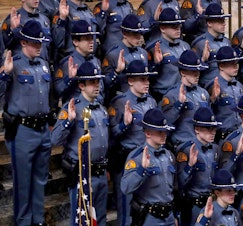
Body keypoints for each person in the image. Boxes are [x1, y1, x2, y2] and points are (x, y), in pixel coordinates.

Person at [0, 20, 52, 226]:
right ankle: (23, 221)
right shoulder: (14, 62)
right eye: (34, 43)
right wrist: (4, 73)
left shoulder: (44, 64)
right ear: (23, 42)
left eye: (40, 43)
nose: (38, 46)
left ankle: (38, 220)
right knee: (23, 182)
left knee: (40, 179)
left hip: (42, 130)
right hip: (22, 131)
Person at [51, 61, 109, 226]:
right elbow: (54, 140)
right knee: (82, 221)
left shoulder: (101, 109)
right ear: (81, 85)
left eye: (98, 81)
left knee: (100, 220)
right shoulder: (72, 108)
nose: (96, 85)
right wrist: (68, 121)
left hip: (100, 173)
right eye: (92, 82)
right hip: (82, 175)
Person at [108, 60, 158, 226]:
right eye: (142, 79)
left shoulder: (151, 101)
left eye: (147, 79)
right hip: (127, 161)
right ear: (130, 81)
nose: (147, 83)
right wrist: (124, 125)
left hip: (148, 160)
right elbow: (111, 135)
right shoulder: (120, 102)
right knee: (126, 211)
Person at [120, 108, 177, 226]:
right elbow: (125, 188)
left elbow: (172, 189)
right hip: (150, 218)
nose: (164, 135)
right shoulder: (137, 156)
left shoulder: (169, 156)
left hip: (169, 216)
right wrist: (141, 169)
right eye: (159, 131)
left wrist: (174, 215)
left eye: (165, 131)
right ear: (148, 133)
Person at [176, 106, 222, 226]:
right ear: (197, 129)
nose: (213, 133)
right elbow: (179, 183)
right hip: (193, 205)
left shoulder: (216, 149)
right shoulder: (185, 149)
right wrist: (190, 165)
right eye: (208, 129)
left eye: (214, 129)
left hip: (211, 202)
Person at [102, 14, 161, 98]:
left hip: (142, 98)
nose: (139, 37)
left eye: (140, 33)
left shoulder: (143, 52)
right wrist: (117, 72)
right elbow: (105, 84)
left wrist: (156, 63)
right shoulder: (113, 54)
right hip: (122, 98)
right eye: (134, 34)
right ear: (124, 33)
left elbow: (147, 77)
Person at [161, 50, 211, 148]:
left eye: (198, 71)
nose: (197, 75)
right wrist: (179, 104)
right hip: (183, 144)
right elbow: (165, 123)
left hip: (202, 145)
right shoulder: (172, 94)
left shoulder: (203, 93)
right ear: (183, 72)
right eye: (193, 72)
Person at [54, 19, 106, 105]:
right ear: (75, 42)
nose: (91, 42)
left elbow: (101, 88)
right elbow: (58, 90)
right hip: (76, 109)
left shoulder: (95, 61)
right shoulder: (68, 63)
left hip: (95, 108)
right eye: (86, 38)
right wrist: (70, 79)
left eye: (91, 38)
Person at [146, 8, 191, 102]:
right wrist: (155, 63)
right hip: (162, 95)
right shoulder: (153, 48)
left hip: (183, 94)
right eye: (173, 26)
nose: (178, 29)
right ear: (162, 28)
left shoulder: (185, 46)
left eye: (179, 26)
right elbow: (146, 77)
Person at [207, 46, 243, 142]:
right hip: (223, 137)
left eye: (237, 63)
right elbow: (206, 112)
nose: (236, 66)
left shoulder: (239, 86)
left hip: (240, 134)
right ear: (221, 66)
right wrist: (213, 98)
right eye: (231, 63)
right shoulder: (213, 85)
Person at [191, 3, 231, 89]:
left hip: (227, 86)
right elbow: (191, 72)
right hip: (208, 86)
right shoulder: (199, 43)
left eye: (224, 20)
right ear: (209, 23)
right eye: (219, 21)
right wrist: (203, 60)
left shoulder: (227, 41)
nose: (224, 23)